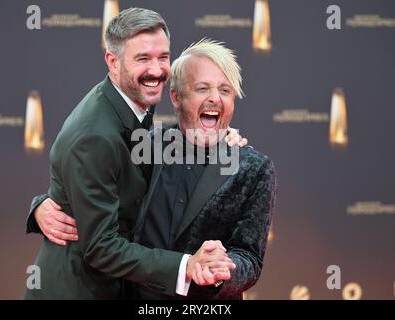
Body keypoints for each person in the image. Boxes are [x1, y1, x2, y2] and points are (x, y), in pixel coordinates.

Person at [29, 39, 277, 299]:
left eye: (225, 91)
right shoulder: (144, 145)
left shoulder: (254, 168)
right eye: (202, 88)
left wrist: (223, 269)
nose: (215, 97)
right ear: (176, 98)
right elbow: (92, 184)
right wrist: (44, 204)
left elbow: (249, 255)